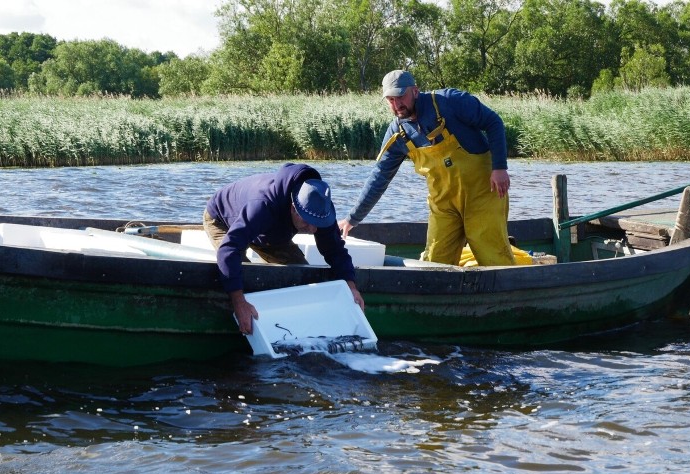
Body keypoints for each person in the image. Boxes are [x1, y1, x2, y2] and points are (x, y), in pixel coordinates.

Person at [339, 69, 516, 266]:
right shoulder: (397, 133)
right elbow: (379, 177)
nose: (397, 105)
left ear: (415, 91)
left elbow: (493, 122)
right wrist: (352, 219)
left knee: (494, 258)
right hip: (443, 205)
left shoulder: (450, 100)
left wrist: (499, 167)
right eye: (390, 100)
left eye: (400, 97)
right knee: (434, 263)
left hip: (483, 193)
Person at [204, 162, 364, 335]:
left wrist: (351, 287)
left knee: (300, 274)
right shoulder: (262, 206)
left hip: (272, 233)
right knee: (242, 274)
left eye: (318, 225)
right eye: (307, 222)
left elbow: (335, 250)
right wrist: (239, 302)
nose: (313, 230)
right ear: (293, 208)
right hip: (223, 220)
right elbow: (229, 249)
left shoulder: (319, 208)